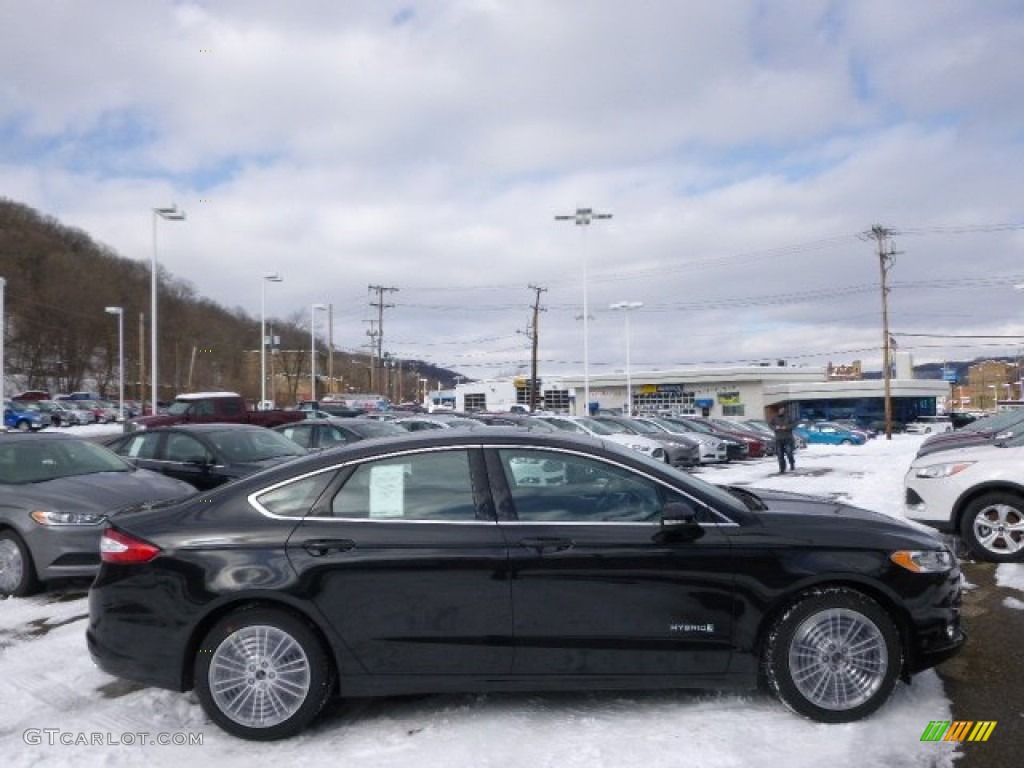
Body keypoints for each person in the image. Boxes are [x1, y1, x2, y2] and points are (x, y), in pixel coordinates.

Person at [770, 406, 796, 473]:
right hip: (778, 438)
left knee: (789, 452)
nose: (782, 410)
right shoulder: (774, 417)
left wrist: (786, 427)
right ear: (778, 410)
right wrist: (775, 427)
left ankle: (792, 463)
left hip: (788, 438)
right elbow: (770, 425)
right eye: (780, 409)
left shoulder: (788, 417)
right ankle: (782, 468)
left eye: (783, 409)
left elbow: (794, 424)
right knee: (780, 455)